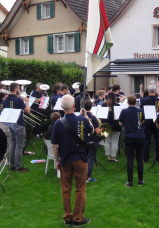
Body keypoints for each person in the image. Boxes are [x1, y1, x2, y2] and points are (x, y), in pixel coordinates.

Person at [51, 95, 93, 227]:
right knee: (80, 189)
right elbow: (92, 130)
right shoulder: (83, 120)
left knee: (66, 189)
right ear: (74, 106)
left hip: (65, 159)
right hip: (80, 159)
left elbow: (54, 145)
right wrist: (85, 116)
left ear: (62, 108)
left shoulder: (58, 123)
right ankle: (78, 219)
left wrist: (57, 161)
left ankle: (67, 217)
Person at [119, 95, 145, 186]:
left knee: (130, 159)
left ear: (127, 102)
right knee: (140, 158)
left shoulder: (124, 111)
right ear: (136, 102)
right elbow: (142, 121)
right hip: (139, 136)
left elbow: (120, 123)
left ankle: (130, 181)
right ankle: (140, 180)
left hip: (129, 136)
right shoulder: (140, 110)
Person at [4, 82, 31, 172]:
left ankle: (12, 165)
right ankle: (18, 166)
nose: (19, 89)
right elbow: (28, 111)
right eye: (18, 88)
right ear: (16, 89)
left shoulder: (6, 99)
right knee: (19, 145)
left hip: (10, 123)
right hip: (18, 123)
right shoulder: (19, 100)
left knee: (13, 144)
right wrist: (27, 102)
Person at [80, 100, 103, 183]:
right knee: (90, 159)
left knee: (84, 158)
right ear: (91, 107)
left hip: (83, 140)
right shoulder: (93, 117)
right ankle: (88, 177)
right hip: (92, 140)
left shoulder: (80, 116)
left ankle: (82, 176)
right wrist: (102, 129)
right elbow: (97, 131)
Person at [140, 85, 159, 164]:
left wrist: (142, 120)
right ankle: (158, 158)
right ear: (155, 92)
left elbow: (141, 111)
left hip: (147, 122)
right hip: (157, 121)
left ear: (148, 92)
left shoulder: (144, 100)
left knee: (146, 140)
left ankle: (145, 158)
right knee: (157, 140)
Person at [101, 92, 121, 161]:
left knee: (107, 141)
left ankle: (108, 157)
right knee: (114, 142)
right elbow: (119, 117)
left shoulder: (103, 105)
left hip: (106, 125)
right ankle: (113, 157)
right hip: (116, 125)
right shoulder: (117, 105)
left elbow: (102, 117)